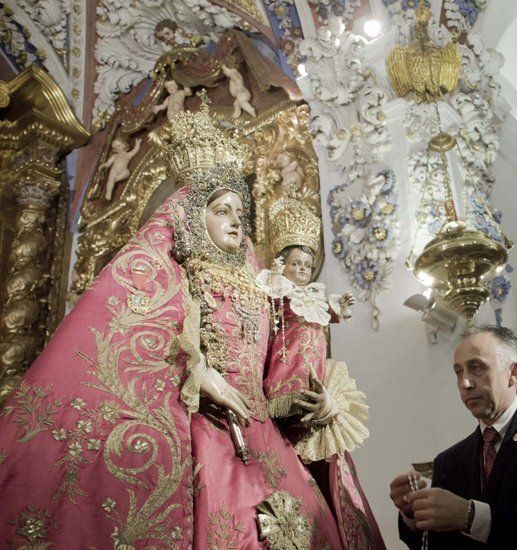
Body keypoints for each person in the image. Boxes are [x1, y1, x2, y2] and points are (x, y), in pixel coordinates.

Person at [0, 98, 345, 548]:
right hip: (205, 431)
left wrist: (315, 405)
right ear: (191, 215)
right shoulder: (171, 272)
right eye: (222, 211)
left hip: (264, 441)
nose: (236, 223)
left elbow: (279, 375)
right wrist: (198, 372)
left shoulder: (266, 291)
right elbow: (133, 336)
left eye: (240, 214)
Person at [256, 196, 386, 548]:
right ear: (281, 265)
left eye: (307, 266)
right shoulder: (271, 296)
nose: (301, 271)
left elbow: (327, 314)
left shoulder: (310, 301)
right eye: (295, 263)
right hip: (278, 387)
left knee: (333, 483)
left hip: (315, 391)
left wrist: (338, 306)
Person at [389, 326, 517, 549]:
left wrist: (472, 516)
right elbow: (437, 544)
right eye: (459, 372)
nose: (465, 383)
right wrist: (414, 514)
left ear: (514, 373)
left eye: (476, 368)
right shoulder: (448, 461)